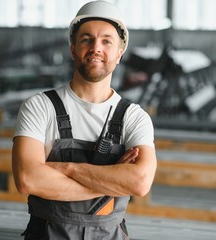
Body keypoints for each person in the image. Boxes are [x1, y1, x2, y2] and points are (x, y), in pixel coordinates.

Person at [12, 1, 157, 239]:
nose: (96, 48)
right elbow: (28, 179)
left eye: (106, 41)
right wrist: (112, 180)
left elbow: (140, 183)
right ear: (73, 49)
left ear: (119, 53)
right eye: (87, 39)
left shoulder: (134, 118)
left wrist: (66, 168)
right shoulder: (39, 107)